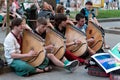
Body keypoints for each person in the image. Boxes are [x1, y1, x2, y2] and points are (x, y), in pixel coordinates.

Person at [4, 18, 79, 76]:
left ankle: (28, 70)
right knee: (24, 66)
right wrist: (28, 54)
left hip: (23, 56)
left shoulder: (20, 34)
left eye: (23, 24)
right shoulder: (9, 38)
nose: (23, 26)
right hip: (13, 60)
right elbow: (12, 55)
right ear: (15, 26)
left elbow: (33, 37)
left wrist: (29, 29)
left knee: (45, 60)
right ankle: (40, 70)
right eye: (21, 25)